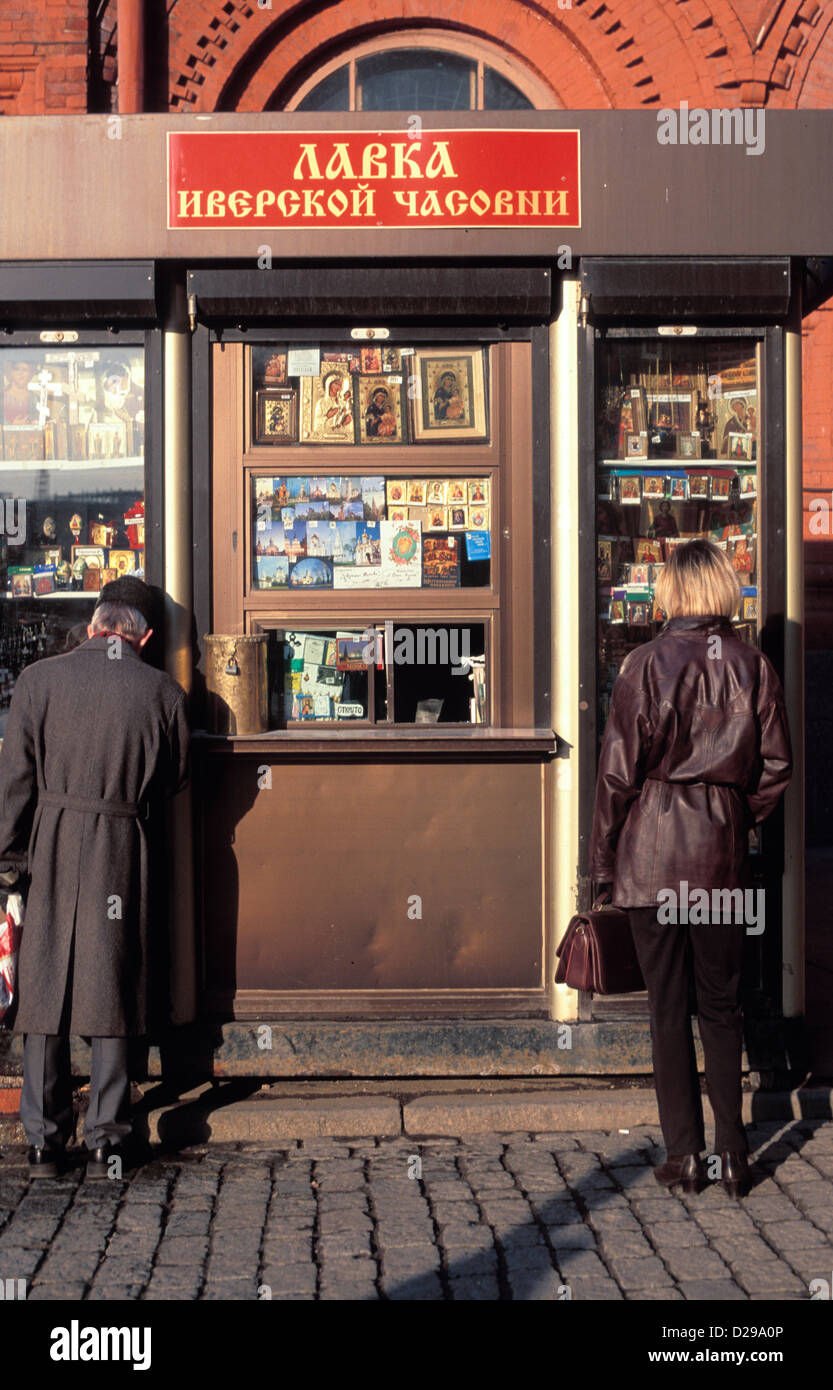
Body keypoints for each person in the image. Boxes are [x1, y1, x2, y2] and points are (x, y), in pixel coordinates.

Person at [589, 540, 791, 1199]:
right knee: (722, 1007)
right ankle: (734, 1155)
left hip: (649, 857)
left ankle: (684, 1157)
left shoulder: (642, 664)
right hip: (720, 860)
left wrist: (599, 867)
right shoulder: (751, 665)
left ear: (671, 592)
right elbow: (775, 769)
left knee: (668, 1011)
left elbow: (615, 776)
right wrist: (732, 817)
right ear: (723, 591)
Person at [0, 577, 189, 1180]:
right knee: (114, 979)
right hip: (119, 840)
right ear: (145, 637)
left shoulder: (38, 682)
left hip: (49, 840)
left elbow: (15, 787)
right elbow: (175, 778)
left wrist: (7, 863)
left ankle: (43, 1142)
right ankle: (109, 1134)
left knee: (42, 984)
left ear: (92, 626)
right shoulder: (162, 692)